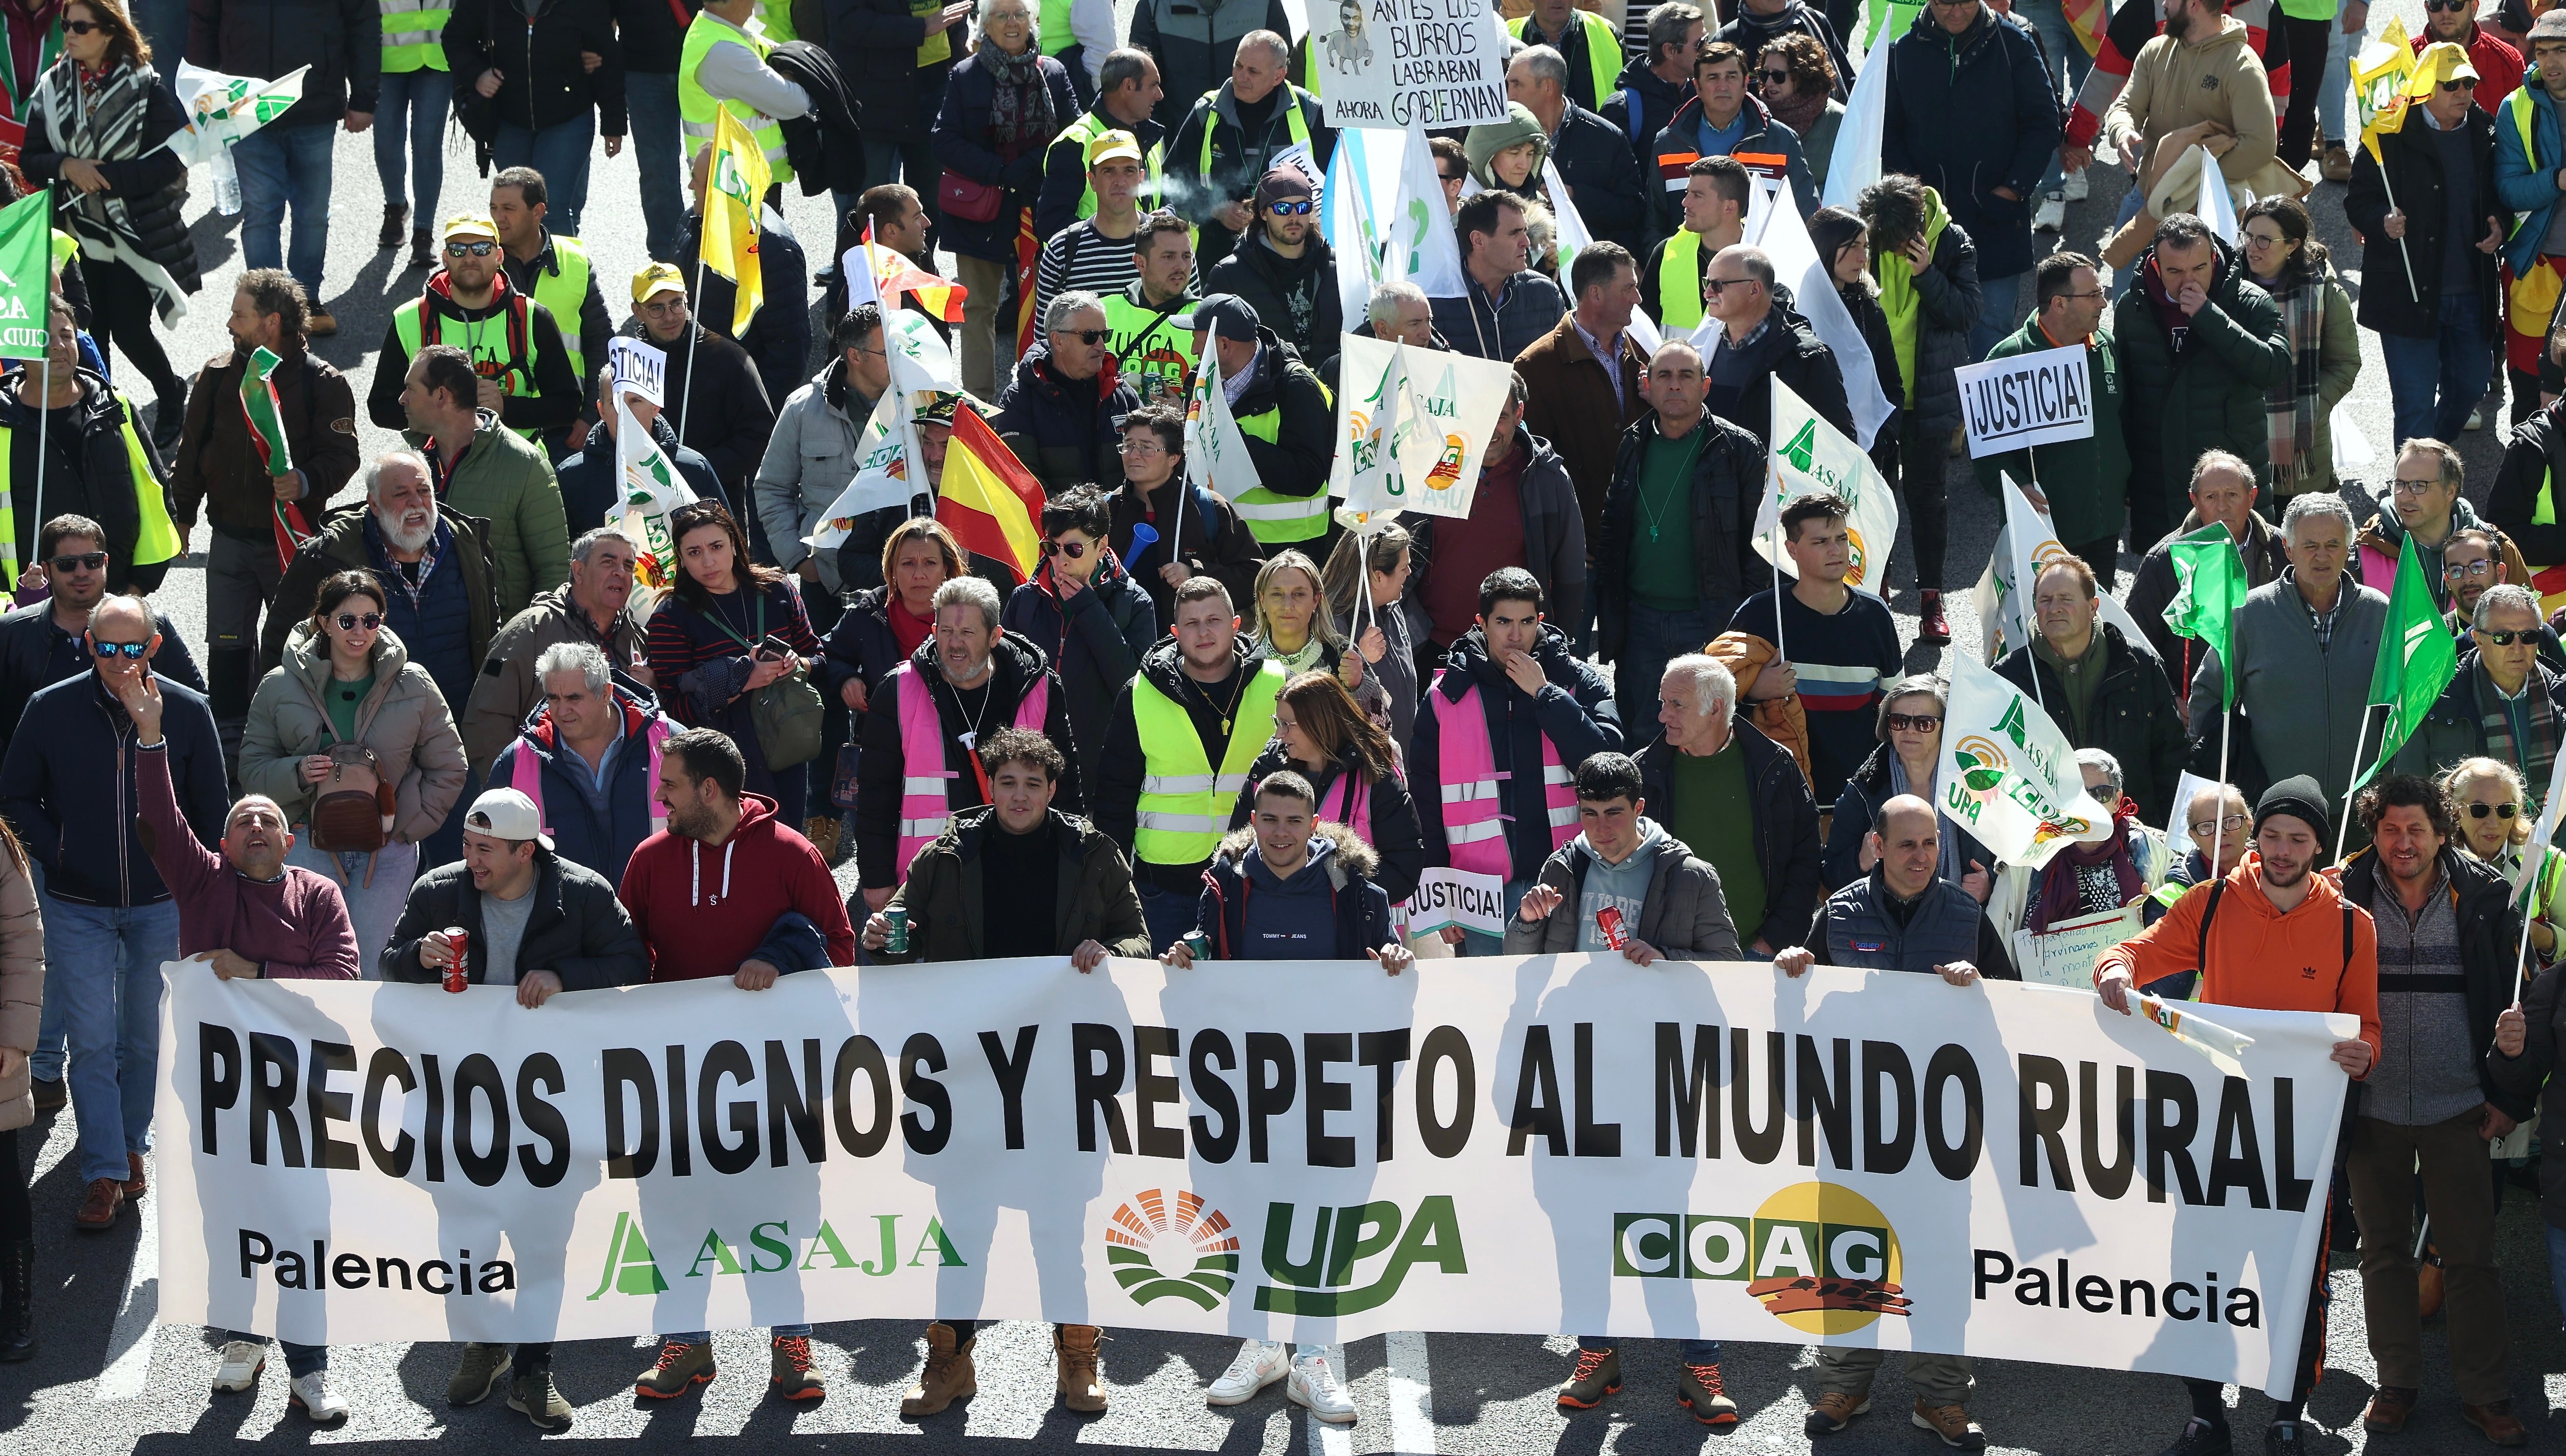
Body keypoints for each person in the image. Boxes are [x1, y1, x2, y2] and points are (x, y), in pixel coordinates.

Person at [859, 726, 1141, 1417]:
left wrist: (1105, 948)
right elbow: (902, 938)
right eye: (1006, 782)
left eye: (1033, 783)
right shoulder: (948, 852)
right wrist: (880, 937)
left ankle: (1077, 1358)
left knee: (1056, 1224)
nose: (1019, 795)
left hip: (1057, 1073)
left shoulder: (1091, 852)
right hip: (967, 1071)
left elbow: (1138, 938)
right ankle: (950, 1361)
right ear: (991, 785)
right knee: (964, 1225)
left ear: (1052, 788)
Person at [2098, 775, 2382, 1455]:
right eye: (2273, 836)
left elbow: (2367, 1027)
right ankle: (2204, 1412)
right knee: (2200, 1270)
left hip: (2299, 1135)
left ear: (2318, 845)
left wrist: (2360, 1054)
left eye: (2298, 839)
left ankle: (2287, 1408)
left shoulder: (2350, 924)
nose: (2281, 851)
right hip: (2212, 1126)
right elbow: (2138, 951)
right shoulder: (2212, 900)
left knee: (2294, 1278)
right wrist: (2112, 968)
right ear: (2257, 837)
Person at [116, 667, 354, 1422]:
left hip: (297, 1095)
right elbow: (157, 815)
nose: (255, 825)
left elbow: (339, 979)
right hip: (216, 1092)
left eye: (268, 820)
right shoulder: (201, 880)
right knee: (231, 1224)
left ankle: (312, 1368)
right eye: (242, 819)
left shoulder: (318, 895)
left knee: (303, 1230)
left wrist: (255, 969)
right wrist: (150, 737)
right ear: (222, 841)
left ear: (290, 837)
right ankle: (244, 1340)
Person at [381, 785, 645, 1430]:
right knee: (463, 1237)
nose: (470, 859)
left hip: (550, 1108)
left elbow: (633, 964)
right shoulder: (439, 892)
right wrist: (418, 957)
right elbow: (388, 966)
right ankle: (483, 1342)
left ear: (526, 851)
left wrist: (564, 977)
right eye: (468, 846)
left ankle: (534, 1367)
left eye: (486, 850)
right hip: (459, 1100)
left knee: (541, 1242)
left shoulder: (581, 893)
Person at [617, 727, 852, 1400]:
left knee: (772, 1213)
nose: (658, 795)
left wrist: (778, 960)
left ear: (709, 790)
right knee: (671, 1213)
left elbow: (838, 951)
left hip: (774, 1080)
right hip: (675, 1077)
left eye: (669, 785)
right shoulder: (650, 858)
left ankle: (789, 1340)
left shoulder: (793, 854)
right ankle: (686, 1343)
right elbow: (625, 959)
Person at [1167, 768, 1400, 1423]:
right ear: (1254, 819)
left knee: (1323, 1217)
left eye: (1293, 821)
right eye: (1268, 819)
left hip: (1330, 1080)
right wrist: (1190, 952)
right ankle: (1262, 1344)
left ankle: (1315, 1356)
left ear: (1315, 825)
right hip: (1247, 1082)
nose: (1279, 832)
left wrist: (1392, 958)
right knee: (1247, 1212)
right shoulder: (1224, 884)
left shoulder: (1352, 887)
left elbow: (1382, 952)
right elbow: (1205, 948)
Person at [1771, 792, 2004, 1447]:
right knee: (1850, 1255)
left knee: (1940, 1263)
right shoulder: (1837, 913)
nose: (1921, 857)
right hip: (1852, 1126)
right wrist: (1793, 971)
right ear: (1876, 844)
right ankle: (1845, 1385)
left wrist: (1979, 984)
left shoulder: (1967, 916)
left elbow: (2012, 1014)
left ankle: (1939, 1398)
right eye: (1906, 844)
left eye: (1930, 844)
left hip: (1938, 1130)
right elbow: (1801, 1008)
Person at [0, 593, 222, 1228]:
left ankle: (131, 1143)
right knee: (91, 1042)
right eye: (108, 647)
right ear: (89, 645)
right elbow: (15, 794)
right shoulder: (51, 708)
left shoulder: (187, 710)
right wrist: (60, 851)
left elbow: (211, 809)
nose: (120, 660)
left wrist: (192, 879)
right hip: (76, 905)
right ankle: (104, 1170)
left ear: (154, 646)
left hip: (160, 905)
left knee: (144, 1038)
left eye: (134, 647)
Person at [2331, 775, 2526, 1444]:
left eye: (2416, 828)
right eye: (2388, 828)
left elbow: (2510, 1005)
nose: (2402, 841)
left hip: (2458, 1107)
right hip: (2372, 1106)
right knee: (2381, 1253)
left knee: (2470, 1256)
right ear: (2372, 831)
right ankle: (2396, 1383)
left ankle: (2486, 1393)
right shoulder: (2342, 893)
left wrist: (2506, 1093)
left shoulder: (2484, 895)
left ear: (2442, 830)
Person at [172, 269, 362, 768]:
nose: (230, 322)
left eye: (240, 314)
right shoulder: (216, 376)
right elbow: (191, 452)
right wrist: (184, 516)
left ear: (270, 323)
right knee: (228, 650)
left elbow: (343, 457)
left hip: (292, 550)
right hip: (230, 542)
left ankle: (290, 750)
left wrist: (305, 479)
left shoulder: (325, 384)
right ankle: (229, 753)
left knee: (292, 652)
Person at [240, 569, 466, 956]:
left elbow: (450, 766)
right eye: (347, 620)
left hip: (387, 852)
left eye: (371, 620)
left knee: (375, 966)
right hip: (309, 844)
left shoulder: (414, 683)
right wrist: (296, 773)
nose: (359, 630)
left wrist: (405, 824)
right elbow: (252, 770)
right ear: (324, 622)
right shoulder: (279, 685)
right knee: (317, 963)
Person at [1413, 567, 1623, 952]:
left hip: (1570, 879)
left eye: (1527, 622)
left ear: (1540, 621)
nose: (1516, 635)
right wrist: (1441, 896)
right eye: (1504, 622)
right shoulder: (1445, 696)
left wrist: (1546, 694)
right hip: (1480, 892)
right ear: (1481, 623)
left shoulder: (1578, 680)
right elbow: (1425, 801)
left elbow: (1610, 769)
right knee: (1487, 1008)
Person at [18, 0, 197, 450]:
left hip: (131, 234)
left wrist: (108, 178)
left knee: (130, 329)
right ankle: (101, 415)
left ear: (111, 31)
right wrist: (68, 166)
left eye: (80, 26)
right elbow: (30, 160)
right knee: (87, 330)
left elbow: (169, 161)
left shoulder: (146, 87)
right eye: (65, 25)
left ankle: (171, 393)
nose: (69, 34)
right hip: (75, 234)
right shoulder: (51, 87)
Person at [1093, 575, 1288, 951]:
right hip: (1164, 891)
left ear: (1235, 625)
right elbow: (1114, 799)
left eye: (1213, 620)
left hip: (1258, 882)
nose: (1203, 632)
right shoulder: (1139, 694)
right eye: (1191, 623)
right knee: (1167, 1006)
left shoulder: (1278, 685)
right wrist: (1109, 888)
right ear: (1174, 632)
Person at [854, 573, 1078, 897]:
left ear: (994, 637)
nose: (954, 643)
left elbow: (1066, 786)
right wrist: (876, 880)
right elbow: (875, 795)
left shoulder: (1040, 686)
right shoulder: (898, 689)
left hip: (1024, 877)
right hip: (930, 882)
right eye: (946, 631)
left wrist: (1075, 868)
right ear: (934, 632)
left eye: (967, 632)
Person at [265, 451, 500, 753]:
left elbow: (489, 632)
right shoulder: (327, 558)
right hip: (361, 744)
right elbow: (281, 645)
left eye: (424, 491)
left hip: (456, 740)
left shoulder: (469, 547)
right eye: (401, 494)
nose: (416, 503)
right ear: (373, 504)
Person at [2189, 493, 2389, 825]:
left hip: (2362, 812)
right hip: (2274, 811)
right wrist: (2228, 773)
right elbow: (2208, 695)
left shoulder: (2380, 612)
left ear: (2348, 549)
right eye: (2310, 545)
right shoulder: (2250, 613)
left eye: (2333, 545)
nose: (2322, 556)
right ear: (2288, 548)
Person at [1594, 337, 1764, 727]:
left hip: (1709, 620)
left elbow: (1759, 548)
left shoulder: (1739, 450)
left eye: (1686, 376)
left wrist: (1745, 625)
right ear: (1647, 384)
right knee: (1642, 732)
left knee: (1709, 733)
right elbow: (1612, 527)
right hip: (1640, 623)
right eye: (1664, 376)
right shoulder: (1632, 444)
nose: (1674, 385)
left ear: (1705, 386)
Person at [1878, 0, 2057, 362]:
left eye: (1965, 2)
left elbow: (2044, 122)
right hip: (1925, 229)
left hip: (1997, 224)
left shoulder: (2015, 45)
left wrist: (2013, 189)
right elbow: (1886, 134)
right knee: (1925, 346)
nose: (1956, 11)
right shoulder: (1902, 54)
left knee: (1991, 343)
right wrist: (1914, 199)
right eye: (1946, 3)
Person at [188, 0, 378, 334]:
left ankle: (305, 302)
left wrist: (365, 97)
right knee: (261, 211)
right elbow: (204, 21)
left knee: (313, 212)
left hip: (314, 104)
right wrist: (198, 96)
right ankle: (267, 308)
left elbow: (363, 21)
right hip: (247, 108)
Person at [2347, 43, 2503, 448]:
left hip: (2472, 293)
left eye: (2469, 82)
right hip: (2408, 293)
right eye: (2451, 84)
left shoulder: (2485, 130)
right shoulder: (2388, 132)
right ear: (2425, 88)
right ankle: (2416, 492)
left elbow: (2501, 193)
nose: (2463, 92)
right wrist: (2381, 220)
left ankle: (2431, 462)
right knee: (2414, 406)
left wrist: (2500, 224)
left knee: (2471, 388)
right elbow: (2358, 199)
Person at [2115, 212, 2292, 553]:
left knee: (2241, 595)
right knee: (2168, 594)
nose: (2188, 281)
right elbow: (2125, 400)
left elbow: (2275, 369)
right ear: (2155, 265)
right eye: (2175, 271)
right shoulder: (2132, 308)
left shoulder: (2250, 302)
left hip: (2231, 483)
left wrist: (2209, 317)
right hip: (2158, 483)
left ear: (2214, 258)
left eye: (2199, 268)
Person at [931, 0, 1077, 398]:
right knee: (979, 309)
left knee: (1051, 308)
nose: (1012, 23)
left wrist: (1031, 164)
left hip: (1040, 209)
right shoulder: (964, 76)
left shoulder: (1054, 73)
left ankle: (1042, 395)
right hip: (982, 211)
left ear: (1032, 22)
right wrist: (998, 170)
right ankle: (978, 402)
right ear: (984, 26)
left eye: (1019, 15)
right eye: (1001, 15)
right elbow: (943, 141)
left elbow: (1074, 135)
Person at [645, 500, 821, 826]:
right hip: (718, 760)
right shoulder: (670, 617)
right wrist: (744, 680)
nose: (709, 561)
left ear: (735, 544)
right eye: (694, 553)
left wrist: (797, 665)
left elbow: (820, 658)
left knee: (787, 844)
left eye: (716, 546)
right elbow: (672, 709)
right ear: (681, 559)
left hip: (785, 741)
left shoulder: (778, 590)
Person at [1857, 175, 1979, 630]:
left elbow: (1968, 313)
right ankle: (1877, 591)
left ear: (1918, 226)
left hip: (1929, 396)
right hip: (1876, 399)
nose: (1886, 254)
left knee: (1928, 499)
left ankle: (1931, 600)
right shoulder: (1864, 237)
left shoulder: (1952, 241)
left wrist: (1927, 275)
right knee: (1874, 498)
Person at [0, 295, 181, 594]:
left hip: (120, 598)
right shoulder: (4, 422)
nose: (58, 346)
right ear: (20, 349)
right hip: (30, 609)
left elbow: (157, 492)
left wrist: (138, 588)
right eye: (44, 338)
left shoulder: (114, 407)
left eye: (66, 335)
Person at [1641, 652, 1821, 950]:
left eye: (1677, 704)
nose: (1663, 716)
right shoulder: (1645, 773)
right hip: (1670, 958)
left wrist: (1773, 941)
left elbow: (1806, 858)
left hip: (1758, 955)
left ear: (1715, 709)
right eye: (1663, 702)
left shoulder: (1775, 767)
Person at [1730, 493, 1902, 805]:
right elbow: (1709, 703)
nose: (1836, 551)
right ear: (1792, 550)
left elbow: (1896, 711)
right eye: (1820, 542)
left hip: (1858, 801)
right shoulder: (1758, 615)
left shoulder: (1876, 616)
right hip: (1778, 800)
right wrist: (1753, 690)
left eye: (1841, 538)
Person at [384, 344, 569, 628]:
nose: (401, 399)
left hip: (495, 643)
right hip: (419, 638)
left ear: (442, 396)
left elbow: (554, 572)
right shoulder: (407, 464)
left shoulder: (525, 464)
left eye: (411, 389)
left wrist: (528, 645)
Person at [1993, 556, 2188, 824]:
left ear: (2093, 606)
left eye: (2066, 598)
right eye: (2045, 600)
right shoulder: (2010, 676)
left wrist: (2169, 834)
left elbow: (2171, 756)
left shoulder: (2138, 665)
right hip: (2047, 836)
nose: (2054, 608)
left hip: (2133, 831)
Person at [1508, 746, 1744, 964]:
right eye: (1590, 813)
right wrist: (1527, 920)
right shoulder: (1561, 867)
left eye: (1613, 813)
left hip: (1651, 1009)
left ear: (1639, 808)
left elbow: (1729, 963)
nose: (1602, 828)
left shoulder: (1691, 875)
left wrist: (1665, 959)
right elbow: (1514, 962)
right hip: (1576, 1009)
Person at [368, 215, 585, 453]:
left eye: (482, 249)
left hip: (517, 463)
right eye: (458, 250)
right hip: (436, 467)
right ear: (445, 258)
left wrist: (506, 408)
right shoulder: (409, 319)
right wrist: (444, 412)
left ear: (499, 257)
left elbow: (567, 406)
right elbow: (381, 408)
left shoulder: (533, 318)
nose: (470, 258)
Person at [0, 515, 200, 767]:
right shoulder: (11, 634)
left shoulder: (151, 625)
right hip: (38, 790)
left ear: (106, 562)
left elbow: (196, 708)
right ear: (47, 569)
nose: (81, 572)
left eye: (92, 561)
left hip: (133, 784)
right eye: (67, 564)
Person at [1405, 374, 1586, 653]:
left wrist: (1560, 644)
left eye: (1499, 416)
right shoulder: (1428, 465)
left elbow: (1570, 573)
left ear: (1519, 413)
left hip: (1512, 651)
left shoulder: (1547, 479)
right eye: (1478, 415)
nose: (1488, 428)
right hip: (1433, 643)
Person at [1975, 252, 2127, 580]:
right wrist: (2017, 485)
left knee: (2097, 621)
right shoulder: (2010, 359)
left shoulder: (2107, 347)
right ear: (2059, 304)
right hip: (2046, 532)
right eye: (2093, 295)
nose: (2103, 304)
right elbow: (1987, 451)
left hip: (2106, 524)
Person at [460, 525, 652, 773]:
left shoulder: (640, 638)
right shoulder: (530, 630)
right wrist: (515, 788)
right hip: (544, 791)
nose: (620, 573)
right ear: (578, 571)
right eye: (609, 562)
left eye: (628, 566)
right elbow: (487, 720)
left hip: (625, 791)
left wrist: (654, 688)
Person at [1228, 669, 1421, 901]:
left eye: (1288, 724)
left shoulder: (1376, 778)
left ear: (1319, 723)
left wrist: (1339, 901)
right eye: (1278, 722)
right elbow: (1236, 850)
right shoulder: (1267, 770)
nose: (1279, 734)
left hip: (1350, 930)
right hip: (1271, 924)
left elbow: (1403, 869)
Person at [1002, 485, 1155, 775]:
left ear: (1101, 546)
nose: (1060, 561)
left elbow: (1133, 687)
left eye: (1073, 549)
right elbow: (1004, 684)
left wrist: (1088, 608)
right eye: (1051, 547)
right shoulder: (1025, 599)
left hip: (1103, 770)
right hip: (1031, 767)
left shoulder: (1134, 602)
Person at [1517, 241, 1648, 576]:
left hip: (1638, 548)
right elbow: (1529, 468)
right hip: (1574, 558)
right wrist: (1567, 541)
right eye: (1629, 288)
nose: (1638, 298)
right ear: (1596, 294)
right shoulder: (1536, 366)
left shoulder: (1643, 357)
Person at [444, 0, 622, 234]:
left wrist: (614, 123)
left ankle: (563, 270)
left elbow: (606, 57)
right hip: (508, 119)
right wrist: (477, 74)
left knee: (551, 210)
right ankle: (519, 272)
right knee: (514, 210)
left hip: (568, 119)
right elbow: (455, 39)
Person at [1163, 29, 1330, 272]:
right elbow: (1171, 180)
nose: (1241, 77)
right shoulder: (1206, 111)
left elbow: (1339, 188)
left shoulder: (1309, 112)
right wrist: (1215, 207)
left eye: (1253, 71)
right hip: (1218, 256)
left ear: (1279, 76)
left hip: (1293, 258)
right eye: (1238, 65)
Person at [621, 262, 776, 513]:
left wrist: (696, 469)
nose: (670, 316)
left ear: (687, 299)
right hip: (645, 505)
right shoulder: (629, 363)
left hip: (715, 504)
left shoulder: (729, 358)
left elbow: (759, 436)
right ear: (637, 312)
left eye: (676, 303)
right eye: (656, 308)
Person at [2127, 449, 2291, 683]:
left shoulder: (2283, 549)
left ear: (2252, 497)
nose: (2222, 507)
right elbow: (2136, 644)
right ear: (2195, 501)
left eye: (2232, 495)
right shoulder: (2164, 560)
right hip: (2198, 699)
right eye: (2211, 497)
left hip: (2271, 690)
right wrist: (2171, 699)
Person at [1182, 293, 1331, 550]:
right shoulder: (1200, 379)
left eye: (1198, 339)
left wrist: (1232, 439)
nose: (1194, 350)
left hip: (1288, 548)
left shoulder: (1297, 386)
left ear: (1224, 345)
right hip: (1219, 538)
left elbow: (1308, 476)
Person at [1825, 672, 1991, 895]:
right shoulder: (1864, 790)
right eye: (1899, 721)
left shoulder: (1983, 782)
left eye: (1924, 723)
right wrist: (1861, 861)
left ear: (1947, 726)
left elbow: (2019, 854)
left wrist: (1990, 881)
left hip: (1967, 919)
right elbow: (1830, 875)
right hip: (1887, 924)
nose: (1910, 730)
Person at [1102, 404, 1264, 629]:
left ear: (1174, 458)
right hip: (1118, 646)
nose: (1134, 455)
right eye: (1128, 446)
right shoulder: (1104, 510)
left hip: (1189, 651)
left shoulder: (1208, 507)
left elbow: (1255, 578)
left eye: (1147, 448)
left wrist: (1196, 574)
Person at [490, 168, 614, 456]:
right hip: (498, 420)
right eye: (494, 208)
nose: (498, 218)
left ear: (538, 211)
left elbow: (600, 342)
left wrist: (589, 415)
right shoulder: (481, 261)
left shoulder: (576, 262)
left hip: (563, 425)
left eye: (509, 208)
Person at [2395, 583, 2566, 791]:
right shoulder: (2435, 700)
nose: (2517, 648)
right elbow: (2411, 796)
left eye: (2528, 636)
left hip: (2554, 824)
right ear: (2479, 640)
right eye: (2503, 637)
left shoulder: (2560, 695)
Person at [1698, 243, 1853, 452]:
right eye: (1706, 283)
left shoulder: (1807, 358)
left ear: (1755, 290)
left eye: (1717, 284)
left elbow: (1839, 445)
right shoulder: (1700, 349)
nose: (1707, 293)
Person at [1648, 39, 1818, 229]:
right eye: (1713, 77)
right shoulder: (1668, 143)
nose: (1723, 86)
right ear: (1697, 86)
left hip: (1759, 259)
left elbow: (1807, 216)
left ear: (1746, 83)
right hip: (1686, 259)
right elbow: (1654, 223)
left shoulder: (1782, 141)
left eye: (1731, 77)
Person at [1506, 45, 1650, 257]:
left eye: (1517, 85)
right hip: (1523, 266)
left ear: (1548, 87)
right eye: (1508, 84)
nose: (1509, 94)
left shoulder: (1605, 138)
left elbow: (1633, 210)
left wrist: (1573, 195)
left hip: (1589, 271)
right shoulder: (1499, 136)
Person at [2494, 11, 2566, 430]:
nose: (2552, 62)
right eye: (2543, 51)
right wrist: (2557, 180)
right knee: (2529, 387)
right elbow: (2509, 189)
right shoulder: (2516, 108)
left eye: (2561, 51)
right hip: (2536, 267)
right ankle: (2526, 486)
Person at [994, 289, 1140, 493]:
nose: (1101, 346)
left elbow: (1152, 466)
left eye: (1105, 335)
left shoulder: (1122, 394)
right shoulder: (1020, 400)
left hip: (1122, 520)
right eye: (1090, 337)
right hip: (1056, 523)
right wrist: (1080, 519)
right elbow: (1022, 483)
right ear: (1058, 340)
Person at [555, 364, 725, 534]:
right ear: (601, 410)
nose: (625, 411)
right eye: (615, 402)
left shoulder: (693, 468)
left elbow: (726, 541)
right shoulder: (572, 476)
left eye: (635, 401)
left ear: (655, 406)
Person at [1202, 166, 1340, 373]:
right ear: (1263, 213)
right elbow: (1209, 354)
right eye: (1283, 209)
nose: (1294, 217)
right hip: (1265, 401)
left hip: (1334, 396)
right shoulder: (1229, 275)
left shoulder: (1338, 268)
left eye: (1303, 207)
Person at [1036, 46, 1166, 237]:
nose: (1160, 95)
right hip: (1088, 267)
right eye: (1153, 86)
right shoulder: (1074, 143)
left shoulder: (1150, 137)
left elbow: (1164, 197)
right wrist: (1116, 239)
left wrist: (1166, 216)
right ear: (1128, 86)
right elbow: (1052, 223)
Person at [2360, 438, 2504, 612]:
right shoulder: (2367, 547)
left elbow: (2529, 622)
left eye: (2418, 485)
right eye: (2400, 484)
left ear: (2450, 491)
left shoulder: (2497, 546)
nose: (2405, 497)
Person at [682, 0, 812, 190]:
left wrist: (775, 89)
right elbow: (796, 102)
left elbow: (783, 55)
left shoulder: (718, 30)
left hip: (739, 179)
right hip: (735, 189)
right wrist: (789, 75)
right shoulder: (723, 49)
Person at [1034, 131, 1155, 331]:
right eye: (1109, 171)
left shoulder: (1170, 243)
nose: (1120, 180)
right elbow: (1044, 341)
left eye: (1129, 171)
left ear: (1141, 178)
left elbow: (1194, 325)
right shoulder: (1061, 250)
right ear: (1092, 180)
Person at [1434, 190, 1568, 363]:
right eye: (1514, 233)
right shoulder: (1437, 300)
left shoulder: (1545, 292)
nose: (1526, 242)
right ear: (1478, 240)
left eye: (1525, 231)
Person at [1124, 0, 1290, 136]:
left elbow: (1281, 71)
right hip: (1179, 138)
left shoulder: (1265, 4)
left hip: (1251, 138)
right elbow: (1139, 82)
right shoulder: (1155, 5)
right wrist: (1156, 136)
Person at [1320, 525, 1419, 747]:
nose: (1409, 573)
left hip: (1401, 766)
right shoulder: (1330, 623)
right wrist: (1362, 662)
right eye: (1404, 567)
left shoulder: (1394, 612)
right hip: (1363, 769)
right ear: (1377, 577)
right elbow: (1324, 705)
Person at [372, 0, 451, 271]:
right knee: (386, 143)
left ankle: (423, 231)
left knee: (427, 145)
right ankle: (396, 206)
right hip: (386, 59)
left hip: (439, 58)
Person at [1097, 210, 1203, 409]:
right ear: (1140, 263)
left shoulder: (1206, 319)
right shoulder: (1102, 312)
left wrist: (1183, 410)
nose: (1181, 266)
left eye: (1186, 256)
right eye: (1169, 256)